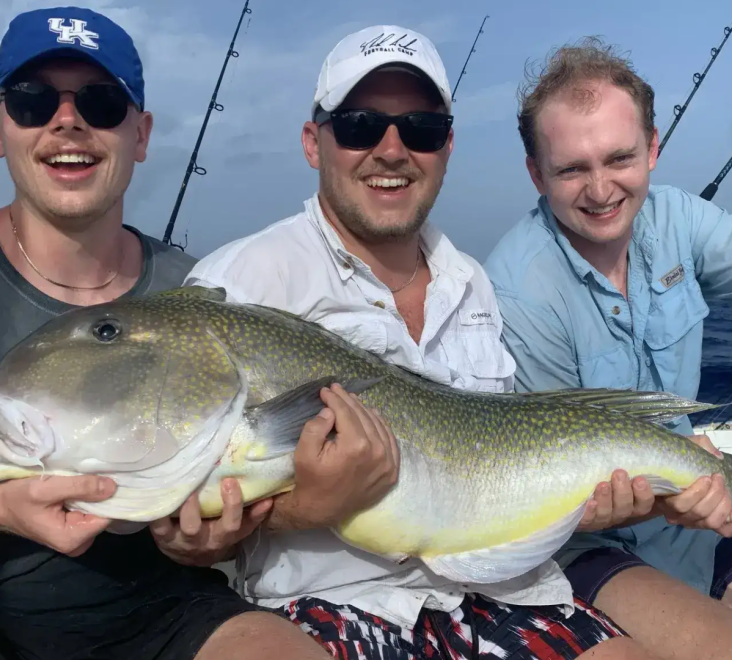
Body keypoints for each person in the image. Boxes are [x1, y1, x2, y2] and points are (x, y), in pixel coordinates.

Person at [173, 25, 659, 660]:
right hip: (332, 604)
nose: (392, 149)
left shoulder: (474, 283)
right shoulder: (237, 286)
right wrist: (297, 509)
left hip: (505, 594)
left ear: (447, 146)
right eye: (359, 125)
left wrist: (582, 506)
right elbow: (187, 512)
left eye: (421, 129)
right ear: (312, 142)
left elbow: (494, 460)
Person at [0, 6, 350, 659]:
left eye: (101, 101)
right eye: (33, 101)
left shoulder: (199, 291)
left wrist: (218, 538)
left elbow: (258, 471)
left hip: (168, 609)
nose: (68, 120)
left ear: (141, 135)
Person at [484, 36, 732, 660]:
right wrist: (681, 487)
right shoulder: (518, 291)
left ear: (652, 149)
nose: (600, 190)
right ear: (537, 174)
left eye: (619, 157)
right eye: (571, 168)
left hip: (695, 511)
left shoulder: (681, 220)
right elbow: (553, 495)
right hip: (590, 543)